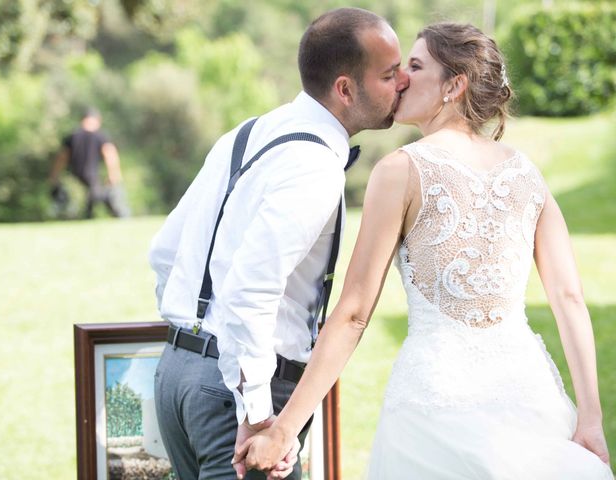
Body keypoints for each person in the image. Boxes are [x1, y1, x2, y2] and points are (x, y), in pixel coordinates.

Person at [234, 23, 614, 479]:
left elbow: (354, 312)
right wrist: (590, 419)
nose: (402, 79)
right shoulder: (527, 174)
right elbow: (570, 297)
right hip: (529, 394)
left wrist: (283, 429)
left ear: (454, 85)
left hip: (433, 404)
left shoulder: (400, 171)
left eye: (414, 66)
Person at [148, 7, 408, 480]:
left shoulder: (246, 133)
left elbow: (165, 251)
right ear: (346, 89)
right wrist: (257, 415)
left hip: (176, 375)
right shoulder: (313, 166)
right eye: (390, 75)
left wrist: (193, 339)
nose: (403, 83)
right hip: (234, 397)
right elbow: (251, 289)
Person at [49, 107, 130, 219]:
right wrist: (113, 174)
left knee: (87, 199)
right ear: (97, 120)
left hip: (75, 176)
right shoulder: (100, 135)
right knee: (107, 195)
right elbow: (110, 154)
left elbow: (62, 158)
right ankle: (118, 214)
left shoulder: (72, 136)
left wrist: (55, 175)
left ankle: (85, 214)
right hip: (92, 176)